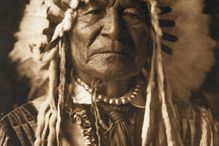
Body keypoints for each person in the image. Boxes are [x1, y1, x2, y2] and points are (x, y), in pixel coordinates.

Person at [0, 0, 218, 146]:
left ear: (155, 34)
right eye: (94, 12)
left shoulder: (197, 130)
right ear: (62, 31)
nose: (114, 29)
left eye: (132, 14)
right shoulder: (21, 131)